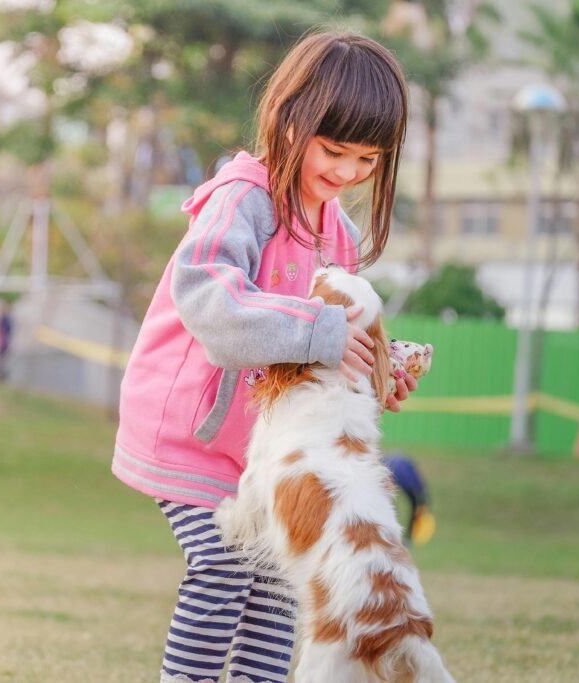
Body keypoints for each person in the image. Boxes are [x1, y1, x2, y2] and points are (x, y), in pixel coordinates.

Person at [111, 30, 415, 683]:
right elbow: (212, 302)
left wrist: (380, 365)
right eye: (334, 151)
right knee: (222, 563)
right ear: (288, 119)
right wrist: (325, 331)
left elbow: (332, 338)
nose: (347, 173)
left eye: (367, 159)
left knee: (281, 578)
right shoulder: (242, 200)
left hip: (268, 447)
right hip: (191, 432)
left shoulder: (340, 232)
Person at [383, 453, 431, 545]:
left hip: (403, 476)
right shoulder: (386, 472)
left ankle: (408, 538)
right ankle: (395, 537)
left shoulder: (409, 480)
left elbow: (417, 497)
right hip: (393, 472)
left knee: (417, 506)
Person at [0, 301, 12, 382]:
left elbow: (8, 332)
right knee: (0, 360)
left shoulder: (7, 320)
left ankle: (1, 376)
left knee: (3, 360)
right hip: (2, 342)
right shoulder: (2, 319)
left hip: (4, 343)